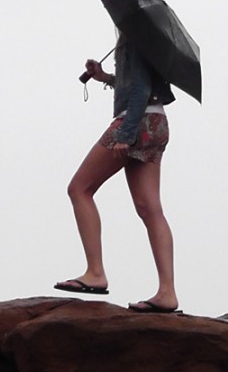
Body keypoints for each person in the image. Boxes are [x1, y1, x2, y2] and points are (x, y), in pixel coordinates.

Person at [55, 35, 181, 313]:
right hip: (156, 122)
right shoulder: (147, 35)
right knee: (151, 209)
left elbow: (140, 87)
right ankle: (168, 293)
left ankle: (95, 273)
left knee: (79, 189)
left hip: (135, 121)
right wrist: (104, 78)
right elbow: (139, 81)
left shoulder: (133, 36)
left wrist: (125, 133)